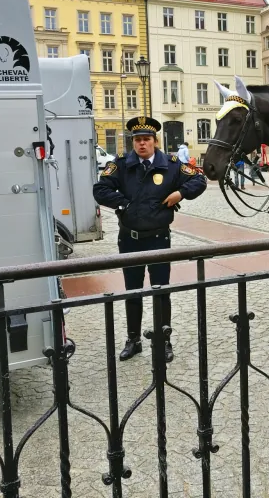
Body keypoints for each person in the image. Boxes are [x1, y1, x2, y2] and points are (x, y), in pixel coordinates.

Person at [93, 116, 207, 362]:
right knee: (132, 292)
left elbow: (199, 180)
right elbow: (100, 189)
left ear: (155, 141)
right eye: (137, 140)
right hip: (130, 239)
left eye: (146, 139)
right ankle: (133, 340)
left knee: (160, 291)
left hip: (158, 239)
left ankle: (163, 339)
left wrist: (180, 193)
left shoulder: (172, 164)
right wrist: (123, 204)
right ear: (133, 142)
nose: (141, 144)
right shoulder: (122, 164)